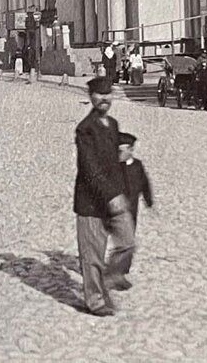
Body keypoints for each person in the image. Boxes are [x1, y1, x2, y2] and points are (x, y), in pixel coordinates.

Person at [73, 76, 134, 316]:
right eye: (99, 95)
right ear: (91, 98)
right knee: (93, 256)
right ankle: (95, 300)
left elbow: (117, 163)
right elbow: (91, 170)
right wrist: (112, 196)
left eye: (108, 94)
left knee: (127, 241)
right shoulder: (84, 130)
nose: (104, 99)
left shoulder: (114, 124)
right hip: (91, 203)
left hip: (115, 197)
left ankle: (109, 277)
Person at [117, 132, 153, 283]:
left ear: (131, 150)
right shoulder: (114, 166)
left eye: (121, 150)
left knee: (128, 239)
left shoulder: (137, 166)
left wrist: (148, 199)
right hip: (115, 208)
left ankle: (122, 270)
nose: (118, 153)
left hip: (132, 208)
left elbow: (145, 183)